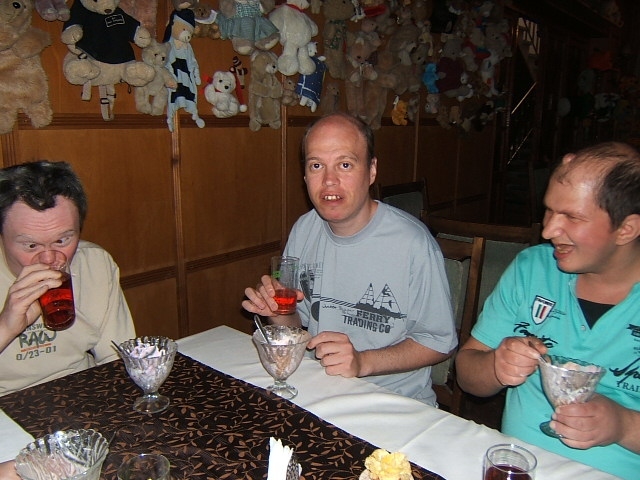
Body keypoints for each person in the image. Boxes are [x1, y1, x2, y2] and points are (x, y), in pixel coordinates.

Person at [242, 112, 457, 406]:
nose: (329, 181)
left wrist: (362, 362)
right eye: (316, 165)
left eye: (345, 164)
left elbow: (441, 343)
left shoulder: (413, 244)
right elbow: (295, 324)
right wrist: (277, 311)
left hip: (393, 404)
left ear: (371, 171)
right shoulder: (304, 229)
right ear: (305, 176)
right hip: (318, 389)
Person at [455, 142, 640, 479]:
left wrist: (623, 425)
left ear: (626, 229)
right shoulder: (531, 268)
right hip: (515, 467)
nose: (548, 230)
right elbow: (467, 373)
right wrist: (496, 366)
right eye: (550, 211)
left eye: (572, 217)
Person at [0, 161, 136, 396]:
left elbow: (117, 359)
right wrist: (6, 327)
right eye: (31, 245)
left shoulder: (95, 264)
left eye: (62, 240)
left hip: (83, 391)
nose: (49, 258)